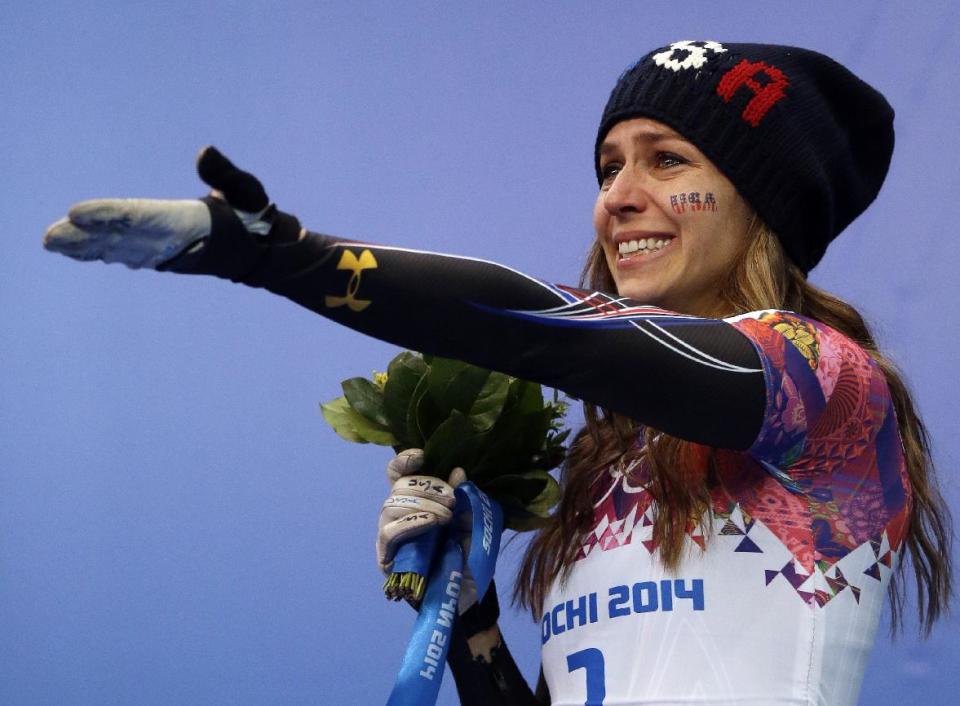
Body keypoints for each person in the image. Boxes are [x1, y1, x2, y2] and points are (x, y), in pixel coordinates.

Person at [44, 40, 952, 705]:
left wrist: (292, 258)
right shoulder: (611, 461)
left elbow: (548, 332)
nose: (617, 198)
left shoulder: (830, 384)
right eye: (608, 167)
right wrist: (469, 613)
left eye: (667, 160)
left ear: (765, 204)